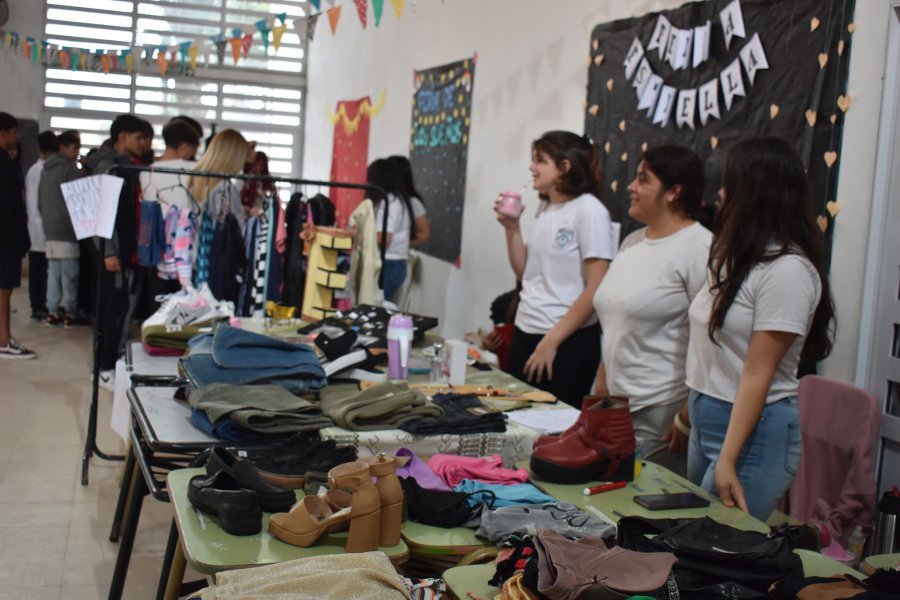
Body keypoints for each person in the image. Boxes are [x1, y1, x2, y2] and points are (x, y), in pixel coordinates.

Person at [685, 136, 836, 520]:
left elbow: (758, 372)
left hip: (755, 430)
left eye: (729, 182)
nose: (720, 192)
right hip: (709, 416)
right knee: (692, 540)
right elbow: (710, 346)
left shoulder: (788, 271)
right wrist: (687, 415)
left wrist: (728, 459)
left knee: (715, 545)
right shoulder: (736, 256)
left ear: (753, 191)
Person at [592, 145, 711, 476]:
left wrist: (687, 415)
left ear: (674, 191)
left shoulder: (700, 248)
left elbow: (711, 339)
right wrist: (602, 383)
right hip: (614, 402)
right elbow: (615, 321)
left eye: (643, 180)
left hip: (661, 407)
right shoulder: (632, 242)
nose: (631, 187)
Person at [495, 130, 614, 408]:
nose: (531, 167)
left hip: (565, 340)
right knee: (517, 418)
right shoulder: (546, 207)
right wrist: (512, 229)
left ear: (565, 167)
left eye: (540, 160)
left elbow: (597, 287)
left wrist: (552, 342)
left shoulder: (589, 211)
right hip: (528, 329)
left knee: (551, 428)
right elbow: (525, 273)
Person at [84, 114, 145, 390]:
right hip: (112, 251)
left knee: (119, 308)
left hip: (124, 248)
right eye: (139, 137)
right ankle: (103, 368)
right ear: (123, 137)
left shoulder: (125, 165)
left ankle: (111, 361)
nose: (143, 144)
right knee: (111, 309)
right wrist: (108, 251)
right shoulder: (107, 167)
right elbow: (99, 212)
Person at [39, 131, 88, 328]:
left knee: (53, 273)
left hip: (49, 229)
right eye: (74, 148)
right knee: (69, 275)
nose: (77, 152)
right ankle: (70, 312)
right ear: (63, 148)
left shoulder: (46, 169)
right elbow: (80, 197)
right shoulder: (68, 168)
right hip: (67, 229)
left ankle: (52, 311)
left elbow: (40, 201)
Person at [0, 112, 35, 359]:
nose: (18, 137)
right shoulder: (4, 164)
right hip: (5, 238)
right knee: (3, 290)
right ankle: (4, 340)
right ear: (3, 134)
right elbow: (11, 205)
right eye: (14, 132)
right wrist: (21, 239)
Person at [367, 158, 426, 302]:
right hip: (394, 263)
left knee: (377, 308)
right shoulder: (396, 199)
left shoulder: (390, 202)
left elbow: (384, 239)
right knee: (380, 307)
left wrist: (359, 235)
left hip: (389, 264)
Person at [25, 130, 57, 321]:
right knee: (38, 270)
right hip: (38, 229)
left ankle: (44, 304)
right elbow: (33, 203)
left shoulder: (46, 169)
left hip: (45, 228)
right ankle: (37, 306)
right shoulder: (37, 171)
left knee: (46, 271)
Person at [387, 155, 431, 247]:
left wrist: (397, 243)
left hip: (395, 256)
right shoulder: (387, 198)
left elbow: (425, 233)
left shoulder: (413, 202)